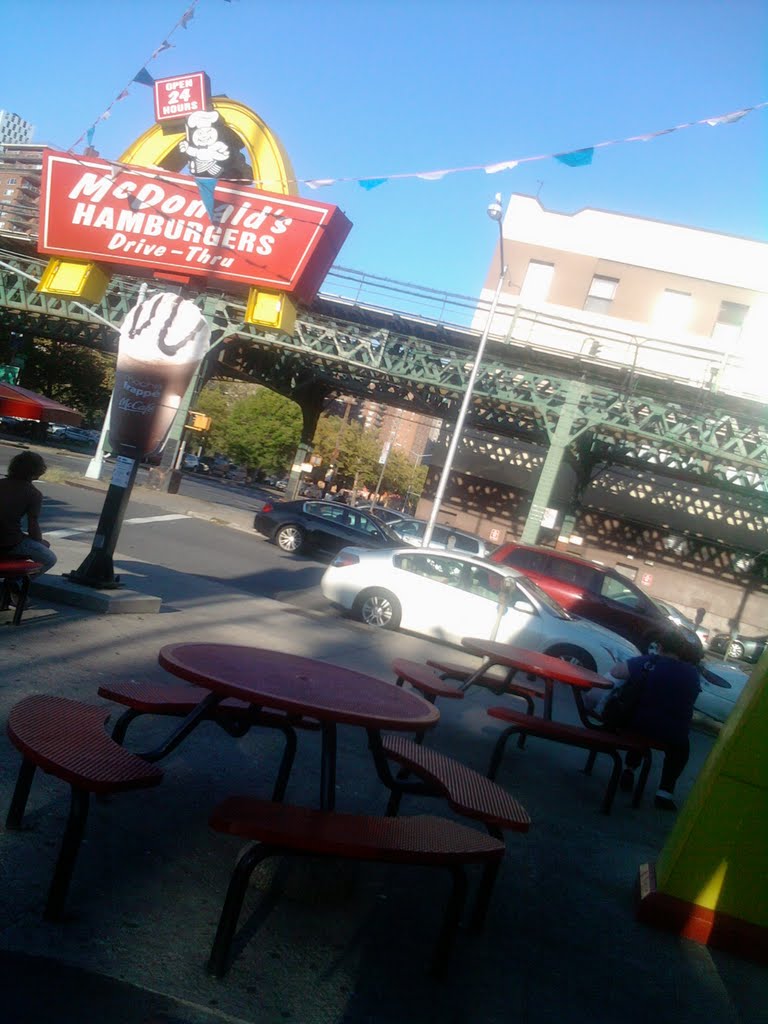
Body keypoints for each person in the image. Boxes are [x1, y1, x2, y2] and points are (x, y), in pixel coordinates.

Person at [604, 625, 701, 810]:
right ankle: (665, 791)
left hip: (636, 725)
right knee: (681, 750)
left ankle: (629, 769)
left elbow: (617, 672)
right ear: (681, 650)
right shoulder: (691, 674)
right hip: (672, 733)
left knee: (640, 724)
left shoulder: (648, 663)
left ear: (660, 646)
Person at [0, 452, 58, 594]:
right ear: (36, 472)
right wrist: (39, 543)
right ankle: (16, 583)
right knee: (49, 558)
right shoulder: (33, 494)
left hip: (8, 537)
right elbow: (33, 525)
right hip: (8, 542)